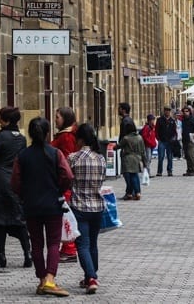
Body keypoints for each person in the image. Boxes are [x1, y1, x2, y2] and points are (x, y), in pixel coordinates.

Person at [11, 117, 73, 297]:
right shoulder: (55, 153)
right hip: (52, 203)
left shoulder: (22, 155)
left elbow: (14, 182)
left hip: (31, 205)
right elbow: (67, 176)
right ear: (47, 133)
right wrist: (59, 189)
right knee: (54, 243)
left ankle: (41, 279)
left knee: (36, 243)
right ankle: (50, 279)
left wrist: (24, 195)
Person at [0, 106, 31, 268]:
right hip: (15, 180)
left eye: (1, 118)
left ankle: (1, 255)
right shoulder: (22, 138)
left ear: (7, 120)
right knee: (18, 218)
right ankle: (27, 253)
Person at [67, 123, 106, 295]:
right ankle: (91, 275)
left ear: (80, 139)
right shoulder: (101, 158)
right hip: (97, 206)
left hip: (79, 206)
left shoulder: (73, 158)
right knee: (93, 244)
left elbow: (67, 179)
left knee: (82, 245)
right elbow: (103, 179)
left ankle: (91, 277)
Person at [51, 106, 79, 263]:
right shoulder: (66, 135)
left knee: (66, 216)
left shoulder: (66, 137)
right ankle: (68, 248)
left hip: (64, 183)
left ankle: (69, 249)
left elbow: (67, 161)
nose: (55, 120)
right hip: (63, 182)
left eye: (57, 117)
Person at [116, 116, 146, 200]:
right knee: (135, 176)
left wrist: (113, 147)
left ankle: (129, 193)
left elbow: (119, 146)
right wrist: (145, 163)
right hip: (137, 158)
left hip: (127, 159)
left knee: (128, 178)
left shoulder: (126, 138)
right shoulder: (140, 138)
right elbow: (143, 151)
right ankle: (138, 192)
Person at [155, 107, 177, 176]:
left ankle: (169, 171)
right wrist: (158, 138)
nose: (167, 112)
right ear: (164, 111)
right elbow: (156, 130)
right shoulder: (159, 120)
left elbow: (174, 131)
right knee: (160, 157)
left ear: (170, 112)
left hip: (170, 141)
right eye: (166, 111)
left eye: (168, 111)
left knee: (170, 157)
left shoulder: (172, 120)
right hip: (162, 141)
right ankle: (159, 171)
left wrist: (174, 138)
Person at [180, 106, 194, 176]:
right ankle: (189, 170)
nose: (185, 113)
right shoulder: (183, 120)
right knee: (187, 156)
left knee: (191, 155)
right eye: (184, 111)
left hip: (191, 139)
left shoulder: (191, 119)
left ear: (189, 112)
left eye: (187, 111)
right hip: (184, 139)